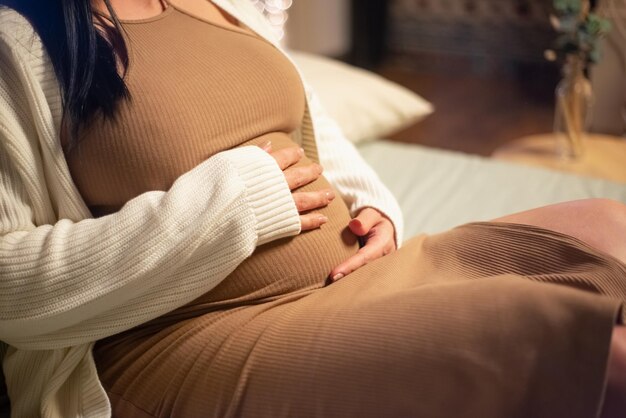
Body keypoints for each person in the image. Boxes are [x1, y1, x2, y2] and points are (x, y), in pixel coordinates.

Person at [0, 0, 624, 417]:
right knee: (561, 336)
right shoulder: (21, 41)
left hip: (349, 281)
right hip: (195, 342)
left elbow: (304, 113)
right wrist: (228, 206)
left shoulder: (229, 2)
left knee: (609, 228)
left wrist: (373, 202)